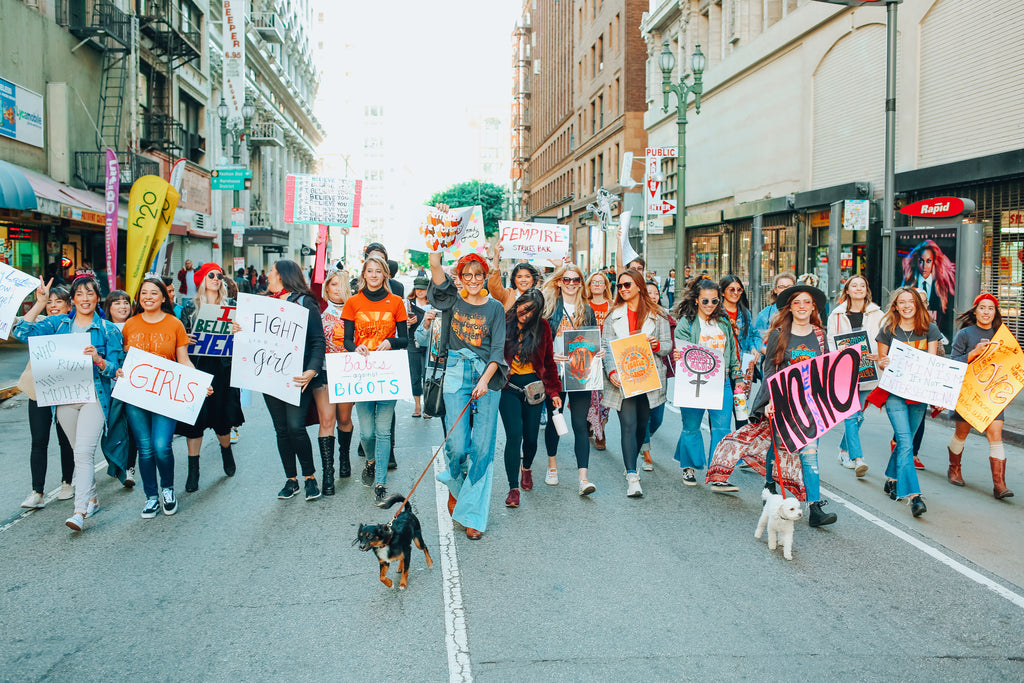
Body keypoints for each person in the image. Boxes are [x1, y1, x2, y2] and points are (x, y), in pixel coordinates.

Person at [15, 276, 124, 531]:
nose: (85, 299)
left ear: (98, 298)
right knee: (79, 453)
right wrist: (40, 304)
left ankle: (79, 510)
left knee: (84, 452)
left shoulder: (108, 330)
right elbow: (21, 332)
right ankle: (93, 498)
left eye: (90, 294)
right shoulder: (57, 324)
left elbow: (116, 370)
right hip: (64, 399)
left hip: (93, 398)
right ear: (72, 299)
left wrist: (99, 360)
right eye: (80, 294)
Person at [428, 238, 507, 540]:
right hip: (456, 373)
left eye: (478, 275)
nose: (473, 280)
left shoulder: (496, 308)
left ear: (485, 276)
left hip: (488, 375)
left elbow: (498, 350)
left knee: (483, 448)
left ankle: (473, 513)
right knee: (458, 444)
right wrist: (437, 236)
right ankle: (456, 483)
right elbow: (436, 266)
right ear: (459, 278)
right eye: (467, 275)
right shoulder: (452, 300)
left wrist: (485, 381)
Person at [750, 284, 838, 527]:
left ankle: (815, 507)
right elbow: (769, 371)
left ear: (813, 307)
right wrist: (768, 402)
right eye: (797, 302)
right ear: (790, 307)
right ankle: (769, 484)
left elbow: (828, 370)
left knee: (809, 454)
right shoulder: (779, 335)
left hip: (811, 405)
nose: (802, 306)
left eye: (806, 302)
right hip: (783, 403)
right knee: (780, 448)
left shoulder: (820, 336)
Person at [121, 278, 208, 518]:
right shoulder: (129, 325)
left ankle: (167, 490)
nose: (148, 297)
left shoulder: (175, 324)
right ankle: (151, 497)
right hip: (136, 397)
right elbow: (123, 360)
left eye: (154, 293)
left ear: (163, 298)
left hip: (165, 397)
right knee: (145, 449)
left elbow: (183, 360)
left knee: (161, 446)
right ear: (139, 298)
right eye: (144, 293)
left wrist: (198, 383)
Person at [254, 261, 327, 501]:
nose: (268, 274)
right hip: (270, 376)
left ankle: (309, 477)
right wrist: (240, 330)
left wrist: (312, 370)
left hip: (297, 377)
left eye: (272, 271)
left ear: (283, 275)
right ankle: (291, 479)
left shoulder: (305, 303)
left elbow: (318, 340)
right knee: (281, 429)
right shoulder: (264, 303)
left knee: (296, 427)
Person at [343, 255, 409, 506]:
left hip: (387, 372)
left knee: (383, 432)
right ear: (364, 274)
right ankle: (370, 461)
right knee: (367, 433)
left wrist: (390, 341)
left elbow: (404, 339)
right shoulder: (353, 302)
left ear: (384, 275)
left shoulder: (396, 302)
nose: (373, 275)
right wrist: (355, 347)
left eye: (378, 271)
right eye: (369, 271)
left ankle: (380, 482)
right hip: (361, 373)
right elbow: (347, 340)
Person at [601, 268, 673, 498]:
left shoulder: (659, 314)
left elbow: (667, 346)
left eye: (627, 285)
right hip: (623, 380)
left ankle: (634, 457)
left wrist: (655, 345)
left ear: (640, 287)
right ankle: (632, 474)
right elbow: (607, 346)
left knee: (643, 425)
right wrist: (611, 371)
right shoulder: (614, 316)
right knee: (628, 425)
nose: (622, 289)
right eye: (620, 286)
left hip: (648, 378)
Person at [874, 286, 941, 518]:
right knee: (904, 440)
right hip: (894, 392)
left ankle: (891, 478)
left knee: (908, 440)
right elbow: (882, 364)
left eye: (910, 301)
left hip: (919, 393)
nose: (906, 305)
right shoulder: (887, 330)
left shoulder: (930, 330)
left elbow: (933, 363)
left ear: (917, 304)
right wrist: (886, 362)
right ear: (895, 306)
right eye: (901, 302)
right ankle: (914, 496)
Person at [672, 278, 744, 489]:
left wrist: (738, 379)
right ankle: (689, 466)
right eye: (705, 301)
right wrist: (679, 355)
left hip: (721, 383)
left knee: (722, 429)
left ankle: (718, 475)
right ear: (696, 300)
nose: (710, 305)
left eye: (714, 301)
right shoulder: (686, 323)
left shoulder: (723, 323)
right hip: (694, 381)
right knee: (691, 428)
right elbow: (683, 352)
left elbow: (732, 354)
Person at [177, 264, 243, 492]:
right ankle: (193, 471)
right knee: (194, 420)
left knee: (221, 419)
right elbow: (180, 338)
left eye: (219, 276)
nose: (216, 279)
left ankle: (227, 452)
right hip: (196, 368)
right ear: (201, 280)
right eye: (211, 275)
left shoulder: (232, 306)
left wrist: (238, 329)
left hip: (222, 369)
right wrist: (186, 337)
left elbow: (245, 336)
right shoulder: (188, 308)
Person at [499, 289, 563, 507]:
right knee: (514, 436)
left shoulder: (543, 327)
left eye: (531, 313)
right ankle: (512, 488)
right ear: (519, 303)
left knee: (531, 438)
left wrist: (554, 391)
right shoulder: (505, 321)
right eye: (523, 308)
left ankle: (527, 467)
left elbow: (549, 361)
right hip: (509, 387)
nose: (525, 315)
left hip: (535, 389)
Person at [946, 293, 1014, 499]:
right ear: (975, 311)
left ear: (995, 312)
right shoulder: (965, 334)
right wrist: (973, 354)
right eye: (982, 308)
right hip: (968, 393)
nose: (986, 312)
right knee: (962, 433)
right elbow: (953, 362)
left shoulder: (1002, 335)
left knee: (996, 436)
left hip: (993, 394)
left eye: (991, 308)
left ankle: (1000, 485)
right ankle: (954, 469)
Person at [540, 264, 599, 494]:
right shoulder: (550, 307)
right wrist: (550, 354)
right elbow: (540, 339)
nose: (572, 284)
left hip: (580, 373)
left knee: (579, 425)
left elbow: (592, 339)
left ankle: (583, 478)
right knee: (556, 421)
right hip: (554, 373)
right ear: (559, 282)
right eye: (567, 280)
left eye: (576, 280)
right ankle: (552, 465)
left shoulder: (587, 309)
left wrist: (597, 351)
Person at [17, 285, 76, 510]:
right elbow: (20, 331)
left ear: (69, 306)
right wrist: (39, 303)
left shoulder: (74, 326)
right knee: (39, 440)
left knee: (65, 440)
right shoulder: (41, 324)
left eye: (58, 301)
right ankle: (37, 491)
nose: (53, 306)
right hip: (40, 388)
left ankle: (67, 482)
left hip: (67, 389)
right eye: (50, 302)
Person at [826, 274, 883, 477]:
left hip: (870, 370)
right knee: (850, 414)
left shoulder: (877, 313)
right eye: (854, 285)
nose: (858, 288)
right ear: (847, 290)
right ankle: (857, 458)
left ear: (866, 290)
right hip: (845, 370)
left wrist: (879, 355)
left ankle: (843, 451)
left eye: (862, 285)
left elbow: (884, 339)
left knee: (858, 416)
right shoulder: (837, 315)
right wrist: (839, 357)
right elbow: (831, 341)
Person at [313, 264, 354, 494]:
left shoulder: (355, 312)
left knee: (344, 419)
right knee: (326, 421)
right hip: (326, 372)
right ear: (327, 289)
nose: (337, 289)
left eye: (341, 285)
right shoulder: (318, 314)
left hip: (348, 372)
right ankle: (327, 475)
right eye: (332, 284)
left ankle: (345, 456)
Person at [103, 289, 138, 488]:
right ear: (108, 307)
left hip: (133, 386)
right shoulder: (101, 328)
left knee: (132, 429)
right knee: (110, 428)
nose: (122, 306)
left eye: (126, 302)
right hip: (109, 387)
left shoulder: (137, 326)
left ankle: (129, 468)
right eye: (117, 303)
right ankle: (115, 463)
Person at [639, 279, 675, 470]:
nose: (653, 296)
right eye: (649, 292)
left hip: (658, 370)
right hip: (638, 371)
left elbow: (668, 345)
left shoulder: (663, 315)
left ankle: (642, 437)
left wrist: (657, 346)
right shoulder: (635, 314)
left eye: (656, 293)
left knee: (657, 417)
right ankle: (645, 452)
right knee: (643, 413)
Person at [720, 275, 757, 428]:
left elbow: (752, 335)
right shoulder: (716, 312)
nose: (736, 293)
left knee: (741, 416)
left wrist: (755, 348)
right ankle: (721, 448)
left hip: (742, 369)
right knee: (720, 416)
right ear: (722, 292)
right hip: (721, 369)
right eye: (732, 289)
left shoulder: (745, 313)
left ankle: (738, 449)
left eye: (739, 290)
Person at [584, 270, 613, 450]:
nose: (596, 284)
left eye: (600, 282)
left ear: (605, 286)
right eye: (593, 282)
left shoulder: (612, 306)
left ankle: (600, 430)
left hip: (606, 356)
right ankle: (590, 423)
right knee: (588, 396)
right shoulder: (584, 304)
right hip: (587, 356)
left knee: (603, 398)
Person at [902, 239, 956, 335]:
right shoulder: (908, 283)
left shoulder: (943, 286)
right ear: (916, 261)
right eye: (921, 261)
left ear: (934, 262)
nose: (924, 266)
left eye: (928, 261)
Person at [406, 277, 432, 417]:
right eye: (418, 288)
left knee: (427, 375)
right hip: (412, 341)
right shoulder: (408, 304)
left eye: (423, 288)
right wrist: (407, 322)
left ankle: (427, 406)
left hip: (429, 342)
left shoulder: (433, 304)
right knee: (415, 374)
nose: (420, 291)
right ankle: (417, 406)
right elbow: (400, 324)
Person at [752, 273, 797, 353]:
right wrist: (767, 352)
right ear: (775, 290)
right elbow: (758, 338)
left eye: (789, 287)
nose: (785, 290)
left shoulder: (801, 311)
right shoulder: (765, 314)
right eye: (781, 287)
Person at [489, 244, 542, 311]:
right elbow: (494, 286)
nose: (523, 280)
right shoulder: (507, 295)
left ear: (533, 279)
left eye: (527, 276)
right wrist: (496, 256)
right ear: (514, 279)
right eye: (519, 277)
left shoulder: (539, 296)